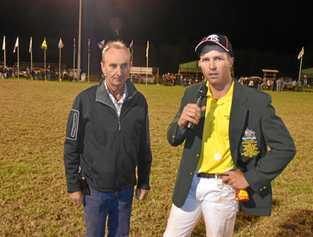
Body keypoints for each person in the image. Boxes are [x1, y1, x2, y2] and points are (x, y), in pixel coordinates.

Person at [163, 34, 296, 237]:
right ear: (200, 64)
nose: (212, 66)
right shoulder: (192, 94)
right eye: (206, 60)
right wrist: (181, 123)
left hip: (222, 189)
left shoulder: (256, 101)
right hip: (189, 185)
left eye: (218, 58)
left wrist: (250, 178)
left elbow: (285, 147)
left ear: (231, 61)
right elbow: (173, 138)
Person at [64, 41, 152, 237]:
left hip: (125, 189)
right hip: (94, 190)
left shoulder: (140, 101)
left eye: (123, 65)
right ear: (103, 67)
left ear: (130, 66)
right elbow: (71, 145)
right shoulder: (84, 100)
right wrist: (73, 185)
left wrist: (144, 181)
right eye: (112, 65)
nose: (118, 72)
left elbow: (143, 145)